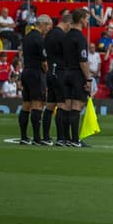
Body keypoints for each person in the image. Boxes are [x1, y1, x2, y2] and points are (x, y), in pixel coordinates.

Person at [60, 10, 92, 147]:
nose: (87, 22)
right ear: (81, 20)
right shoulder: (80, 38)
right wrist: (89, 79)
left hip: (65, 73)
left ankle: (65, 138)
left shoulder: (65, 36)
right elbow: (83, 61)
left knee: (66, 106)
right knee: (76, 106)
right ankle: (75, 140)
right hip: (77, 74)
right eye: (87, 19)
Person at [18, 14, 52, 145]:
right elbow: (44, 62)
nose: (48, 29)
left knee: (26, 105)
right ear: (42, 24)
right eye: (48, 26)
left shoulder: (27, 37)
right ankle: (37, 138)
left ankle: (24, 137)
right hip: (36, 72)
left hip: (26, 71)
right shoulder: (39, 39)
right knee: (38, 104)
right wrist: (47, 73)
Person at [44, 11, 70, 144]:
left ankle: (45, 137)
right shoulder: (63, 36)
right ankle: (61, 138)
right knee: (62, 105)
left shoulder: (49, 34)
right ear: (67, 23)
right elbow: (67, 56)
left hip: (50, 71)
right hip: (60, 72)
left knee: (49, 106)